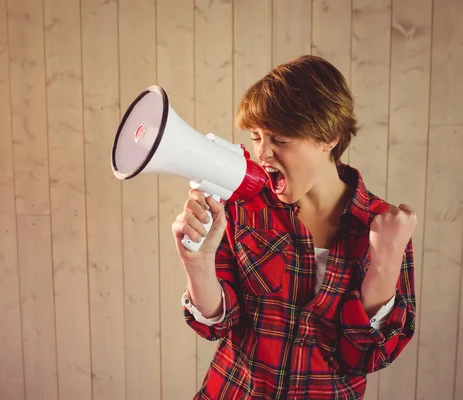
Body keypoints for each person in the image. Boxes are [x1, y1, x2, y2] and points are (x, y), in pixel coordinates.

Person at [171, 55, 417, 399]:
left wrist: (384, 267)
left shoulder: (384, 226)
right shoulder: (243, 206)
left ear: (329, 136)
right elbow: (217, 325)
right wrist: (196, 263)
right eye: (257, 137)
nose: (263, 154)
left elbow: (368, 356)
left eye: (280, 140)